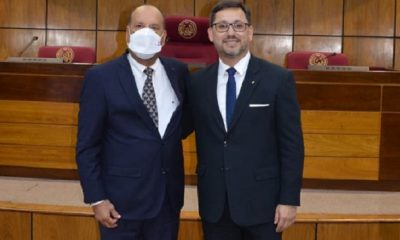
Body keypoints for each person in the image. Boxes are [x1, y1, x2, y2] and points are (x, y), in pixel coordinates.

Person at [188, 1, 304, 239]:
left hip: (264, 206)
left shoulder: (277, 80)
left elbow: (292, 145)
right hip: (215, 205)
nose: (231, 32)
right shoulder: (197, 83)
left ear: (250, 32)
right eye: (222, 26)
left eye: (238, 25)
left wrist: (289, 200)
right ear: (210, 34)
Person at [76, 4, 189, 240]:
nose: (146, 32)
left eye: (154, 27)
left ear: (164, 37)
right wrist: (97, 198)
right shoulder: (100, 78)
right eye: (139, 26)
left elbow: (182, 126)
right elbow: (87, 145)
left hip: (167, 200)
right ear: (128, 33)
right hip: (119, 204)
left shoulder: (179, 72)